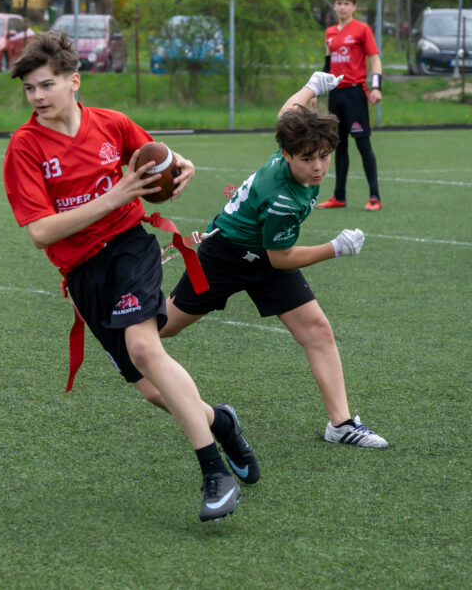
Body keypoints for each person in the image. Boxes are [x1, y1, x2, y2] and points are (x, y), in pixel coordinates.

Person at [2, 31, 260, 523]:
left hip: (129, 247)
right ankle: (220, 422)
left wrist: (183, 166)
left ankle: (214, 473)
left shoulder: (111, 124)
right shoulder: (25, 147)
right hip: (82, 272)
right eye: (29, 88)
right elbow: (41, 232)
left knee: (145, 348)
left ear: (74, 81)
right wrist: (115, 195)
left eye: (47, 84)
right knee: (151, 389)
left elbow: (163, 159)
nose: (37, 96)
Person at [144, 72, 388, 449]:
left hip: (263, 255)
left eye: (324, 156)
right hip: (226, 255)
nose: (318, 167)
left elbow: (287, 111)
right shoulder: (282, 199)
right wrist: (334, 248)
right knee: (164, 327)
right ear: (286, 154)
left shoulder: (293, 144)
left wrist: (313, 86)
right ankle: (124, 333)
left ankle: (340, 424)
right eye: (307, 159)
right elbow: (281, 258)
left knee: (317, 330)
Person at [314, 0, 383, 211]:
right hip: (336, 95)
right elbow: (327, 66)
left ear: (354, 6)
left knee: (363, 144)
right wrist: (316, 91)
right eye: (339, 3)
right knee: (339, 145)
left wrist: (376, 87)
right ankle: (339, 196)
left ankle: (374, 197)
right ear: (334, 6)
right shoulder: (330, 33)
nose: (342, 7)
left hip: (355, 93)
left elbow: (375, 59)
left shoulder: (362, 29)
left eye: (347, 3)